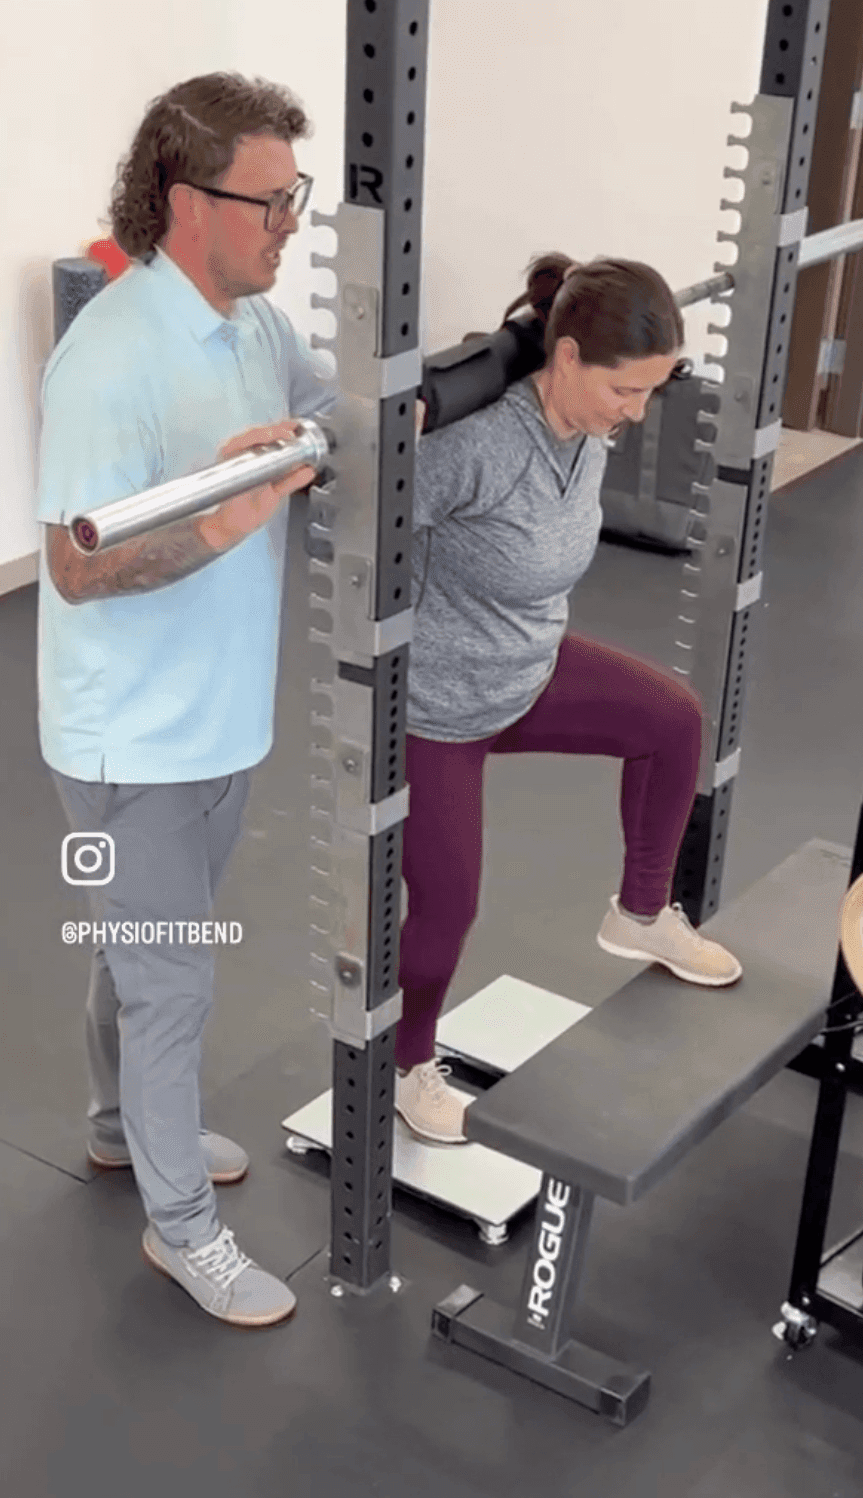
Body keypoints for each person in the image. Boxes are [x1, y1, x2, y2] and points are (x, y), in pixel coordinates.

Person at [37, 73, 336, 1328]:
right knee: (175, 983)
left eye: (293, 199)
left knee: (150, 946)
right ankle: (183, 1230)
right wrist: (225, 516)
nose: (288, 225)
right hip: (132, 739)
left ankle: (119, 1127)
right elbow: (76, 563)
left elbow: (324, 415)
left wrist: (315, 447)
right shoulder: (110, 356)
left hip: (216, 719)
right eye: (268, 202)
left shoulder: (254, 322)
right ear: (183, 201)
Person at [394, 253, 742, 1148]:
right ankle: (405, 1065)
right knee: (449, 906)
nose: (635, 415)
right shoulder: (473, 449)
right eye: (625, 391)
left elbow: (581, 298)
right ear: (569, 356)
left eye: (651, 394)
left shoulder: (584, 430)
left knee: (672, 719)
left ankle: (639, 915)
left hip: (532, 671)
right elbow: (346, 527)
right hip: (437, 708)